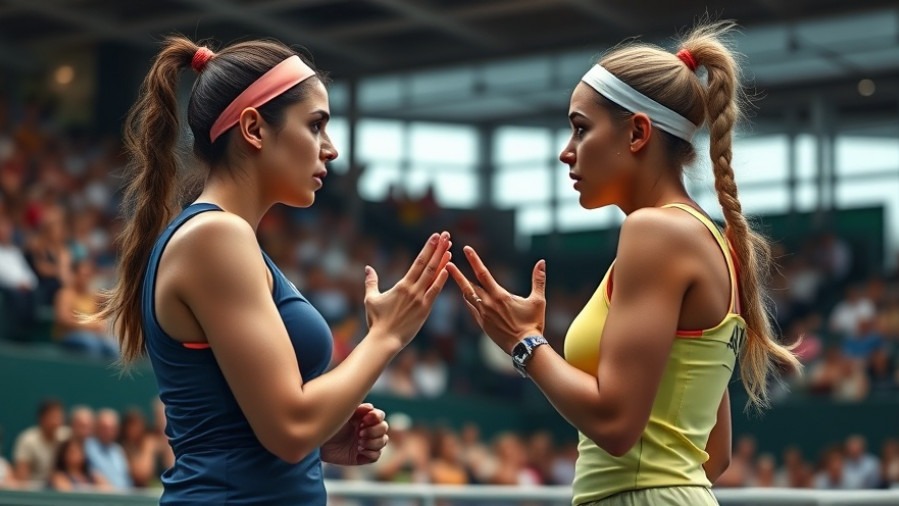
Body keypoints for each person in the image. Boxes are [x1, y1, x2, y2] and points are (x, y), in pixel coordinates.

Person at [447, 22, 801, 506]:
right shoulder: (707, 239)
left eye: (580, 128)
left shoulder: (654, 232)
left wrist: (523, 343)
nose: (565, 151)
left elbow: (615, 425)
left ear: (637, 133)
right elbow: (712, 455)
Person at [92, 36, 451, 504]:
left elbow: (261, 427)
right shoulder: (216, 238)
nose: (331, 149)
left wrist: (320, 441)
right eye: (316, 125)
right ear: (254, 129)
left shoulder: (224, 239)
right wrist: (386, 336)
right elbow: (290, 426)